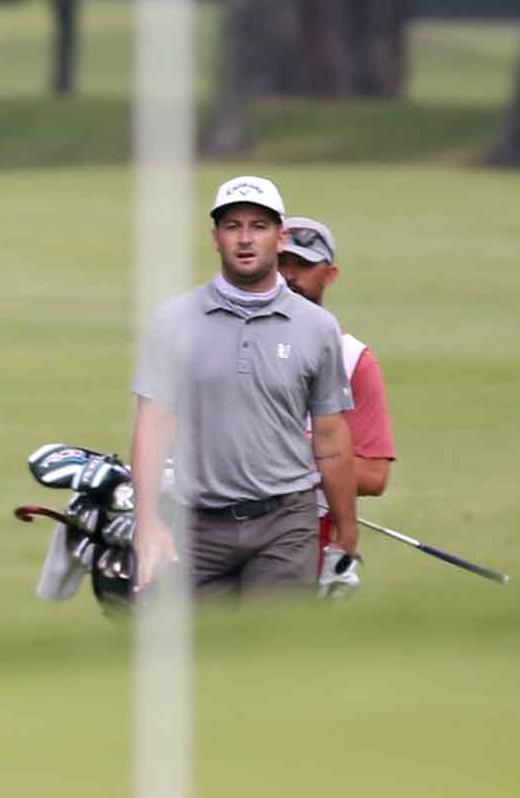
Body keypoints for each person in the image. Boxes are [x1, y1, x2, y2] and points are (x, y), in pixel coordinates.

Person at [129, 176, 359, 598]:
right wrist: (147, 522)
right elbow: (153, 426)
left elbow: (330, 436)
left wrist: (346, 531)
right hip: (195, 522)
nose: (246, 238)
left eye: (259, 225)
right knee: (198, 656)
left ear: (280, 236)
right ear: (215, 237)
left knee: (273, 652)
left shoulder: (316, 327)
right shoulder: (174, 321)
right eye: (233, 226)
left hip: (285, 521)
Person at [278, 215, 397, 577]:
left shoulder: (352, 360)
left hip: (306, 536)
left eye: (303, 265)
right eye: (281, 263)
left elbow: (374, 475)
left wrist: (292, 461)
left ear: (329, 275)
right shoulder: (227, 341)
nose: (289, 276)